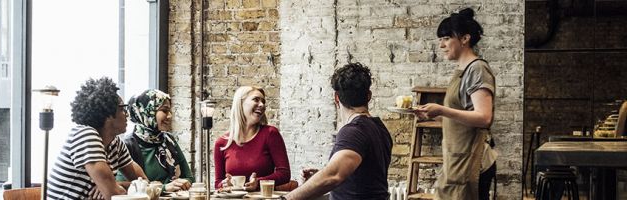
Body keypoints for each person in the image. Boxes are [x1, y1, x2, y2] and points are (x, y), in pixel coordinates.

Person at [413, 8, 498, 200]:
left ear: (464, 39)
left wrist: (442, 109)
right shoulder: (462, 70)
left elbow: (484, 118)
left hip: (472, 160)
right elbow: (462, 114)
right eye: (440, 39)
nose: (441, 45)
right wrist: (435, 114)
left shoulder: (477, 69)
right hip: (458, 158)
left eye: (446, 38)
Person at [284, 62, 393, 200]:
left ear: (336, 97)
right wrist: (317, 177)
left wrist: (287, 199)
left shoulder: (354, 131)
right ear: (369, 96)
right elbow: (365, 177)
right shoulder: (379, 128)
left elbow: (333, 176)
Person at [46, 77, 147, 200]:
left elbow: (144, 184)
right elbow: (114, 195)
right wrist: (117, 187)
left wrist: (119, 185)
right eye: (122, 108)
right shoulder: (85, 135)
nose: (127, 114)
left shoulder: (116, 143)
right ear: (107, 113)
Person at [115, 89, 194, 192]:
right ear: (146, 112)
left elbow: (189, 177)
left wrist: (184, 183)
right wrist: (164, 188)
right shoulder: (127, 145)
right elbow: (123, 188)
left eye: (170, 110)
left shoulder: (169, 140)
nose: (170, 116)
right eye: (164, 111)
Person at [213, 86, 291, 191]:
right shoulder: (221, 143)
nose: (262, 105)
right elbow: (218, 182)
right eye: (256, 100)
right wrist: (224, 184)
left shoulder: (270, 134)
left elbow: (284, 173)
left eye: (263, 101)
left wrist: (258, 183)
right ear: (240, 104)